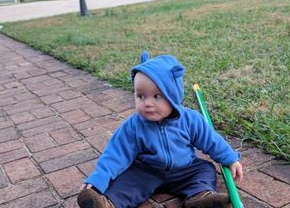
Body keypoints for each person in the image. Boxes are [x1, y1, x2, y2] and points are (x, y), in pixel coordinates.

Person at [77, 52, 243, 208]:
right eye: (140, 96)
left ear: (173, 96)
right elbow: (115, 154)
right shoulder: (133, 126)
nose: (147, 103)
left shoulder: (190, 120)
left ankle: (200, 196)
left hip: (185, 169)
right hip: (148, 171)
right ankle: (108, 203)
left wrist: (230, 158)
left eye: (157, 96)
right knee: (127, 181)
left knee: (205, 169)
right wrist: (99, 178)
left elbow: (211, 140)